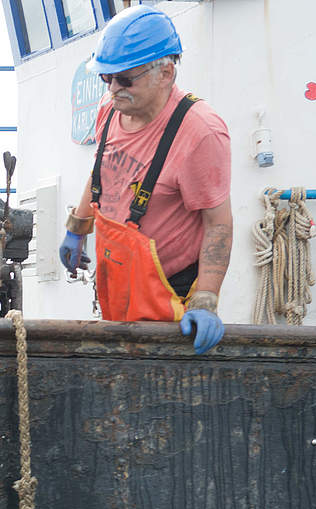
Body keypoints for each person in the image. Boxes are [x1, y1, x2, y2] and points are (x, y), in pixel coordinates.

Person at [60, 6, 231, 354]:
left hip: (166, 294)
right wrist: (77, 228)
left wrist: (206, 300)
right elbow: (101, 169)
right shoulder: (110, 109)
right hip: (117, 280)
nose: (112, 89)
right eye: (105, 79)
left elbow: (218, 223)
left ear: (165, 72)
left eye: (124, 79)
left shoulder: (200, 133)